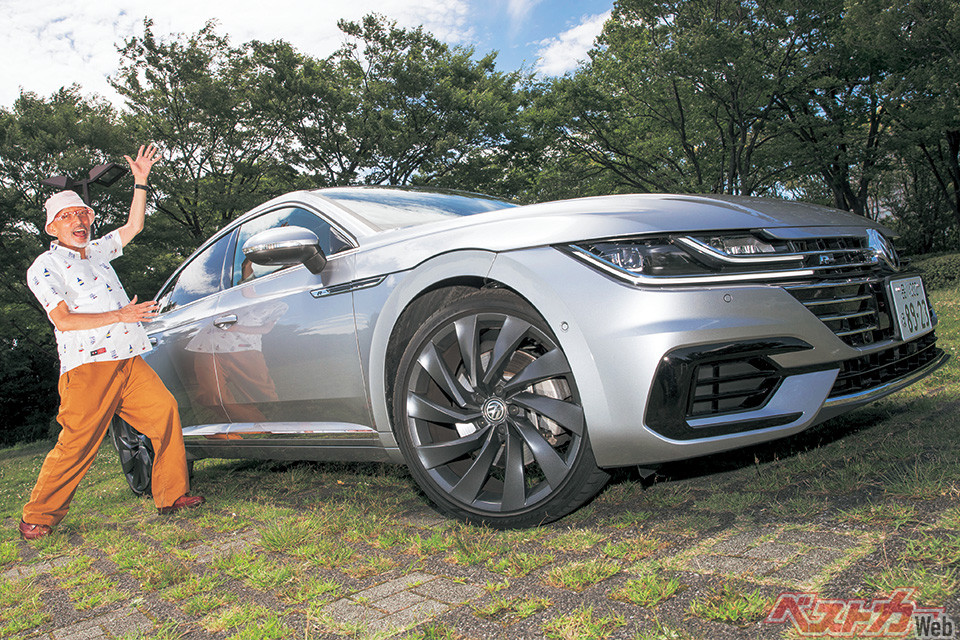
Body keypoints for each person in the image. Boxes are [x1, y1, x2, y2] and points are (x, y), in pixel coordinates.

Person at [19, 144, 204, 541]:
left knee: (165, 412)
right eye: (67, 216)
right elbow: (63, 320)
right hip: (88, 367)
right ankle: (37, 515)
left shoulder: (97, 252)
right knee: (77, 444)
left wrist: (141, 181)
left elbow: (133, 227)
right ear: (52, 228)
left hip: (128, 359)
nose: (78, 220)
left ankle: (172, 495)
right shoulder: (45, 266)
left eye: (83, 214)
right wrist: (121, 315)